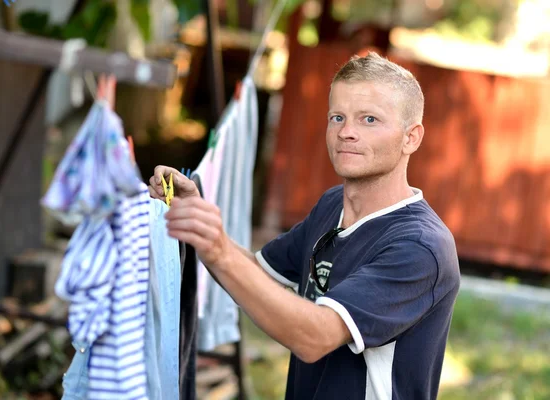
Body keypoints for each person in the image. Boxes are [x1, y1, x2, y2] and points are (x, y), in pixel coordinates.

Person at [148, 52, 461, 400]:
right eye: (337, 117)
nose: (347, 132)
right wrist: (196, 216)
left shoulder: (420, 247)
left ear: (411, 137)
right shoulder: (331, 205)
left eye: (369, 119)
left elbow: (315, 338)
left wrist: (218, 247)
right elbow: (256, 275)